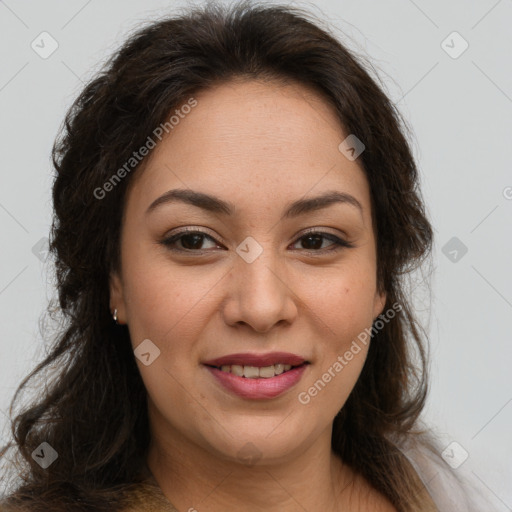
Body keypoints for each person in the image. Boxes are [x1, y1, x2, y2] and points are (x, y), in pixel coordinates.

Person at [0, 1, 501, 510]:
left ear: (381, 283)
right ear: (115, 279)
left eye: (316, 240)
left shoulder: (458, 493)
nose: (261, 308)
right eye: (193, 240)